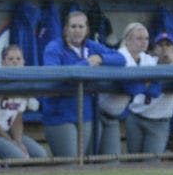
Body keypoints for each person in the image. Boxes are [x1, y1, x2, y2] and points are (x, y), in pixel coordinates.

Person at [41, 10, 126, 158]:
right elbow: (56, 75)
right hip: (60, 115)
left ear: (87, 30)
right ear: (66, 28)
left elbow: (120, 58)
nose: (77, 31)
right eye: (73, 26)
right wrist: (87, 63)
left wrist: (100, 58)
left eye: (81, 27)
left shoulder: (91, 46)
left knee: (83, 164)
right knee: (70, 164)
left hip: (86, 114)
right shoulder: (54, 47)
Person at [0, 44, 48, 160]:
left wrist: (18, 141)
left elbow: (17, 119)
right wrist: (11, 142)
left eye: (18, 59)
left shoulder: (23, 84)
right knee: (18, 156)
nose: (15, 62)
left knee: (40, 155)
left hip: (6, 130)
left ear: (23, 62)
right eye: (10, 59)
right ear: (3, 62)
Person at [98, 22, 155, 156]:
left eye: (146, 39)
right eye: (139, 38)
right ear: (127, 40)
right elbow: (130, 87)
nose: (143, 42)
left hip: (114, 117)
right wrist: (145, 84)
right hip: (97, 114)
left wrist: (143, 86)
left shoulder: (148, 60)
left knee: (112, 159)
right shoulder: (120, 56)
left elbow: (155, 91)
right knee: (88, 157)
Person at [125, 32, 173, 157]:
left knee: (151, 163)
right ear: (154, 49)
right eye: (160, 45)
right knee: (134, 162)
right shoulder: (147, 62)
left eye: (168, 45)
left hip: (159, 122)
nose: (164, 49)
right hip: (136, 117)